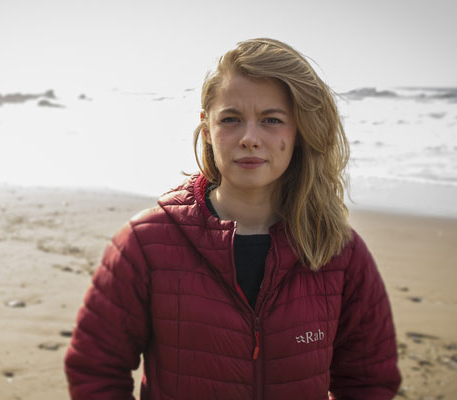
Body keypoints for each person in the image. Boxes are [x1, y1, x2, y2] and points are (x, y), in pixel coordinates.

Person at [64, 38, 401, 399]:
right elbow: (94, 368)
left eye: (272, 120)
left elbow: (368, 383)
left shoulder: (339, 252)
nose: (249, 138)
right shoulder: (146, 244)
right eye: (231, 119)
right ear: (207, 129)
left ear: (299, 132)